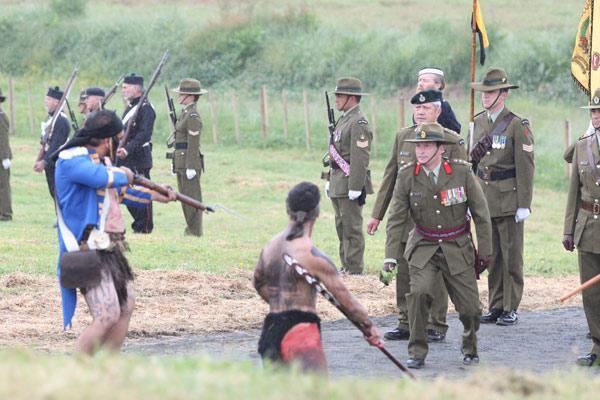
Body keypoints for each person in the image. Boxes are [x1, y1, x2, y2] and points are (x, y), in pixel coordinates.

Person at [54, 109, 175, 354]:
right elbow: (102, 179)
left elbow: (118, 193)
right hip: (85, 248)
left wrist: (157, 194)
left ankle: (108, 370)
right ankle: (76, 372)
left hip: (109, 247)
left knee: (126, 304)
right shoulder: (71, 159)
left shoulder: (104, 165)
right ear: (107, 140)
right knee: (107, 314)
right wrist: (126, 174)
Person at [384, 122, 492, 369]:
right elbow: (396, 218)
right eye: (417, 146)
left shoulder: (462, 173)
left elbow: (481, 214)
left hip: (457, 246)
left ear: (440, 148)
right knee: (419, 294)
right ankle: (417, 351)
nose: (420, 151)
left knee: (471, 310)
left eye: (426, 146)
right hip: (424, 245)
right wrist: (390, 257)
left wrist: (486, 252)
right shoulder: (407, 176)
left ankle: (470, 345)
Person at [253, 181, 382, 373]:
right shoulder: (314, 257)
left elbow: (258, 283)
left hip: (271, 331)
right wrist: (368, 326)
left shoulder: (270, 247)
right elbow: (348, 303)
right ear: (317, 212)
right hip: (300, 334)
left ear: (288, 209)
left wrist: (281, 301)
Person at [369, 89, 466, 342]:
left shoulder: (452, 141)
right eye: (417, 108)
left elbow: (460, 183)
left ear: (439, 111)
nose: (420, 112)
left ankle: (435, 323)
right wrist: (377, 214)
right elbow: (391, 177)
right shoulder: (403, 137)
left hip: (436, 219)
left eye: (426, 108)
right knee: (403, 270)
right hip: (406, 218)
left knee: (434, 273)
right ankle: (405, 320)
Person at [470, 68, 535, 326]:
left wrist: (524, 204)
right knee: (492, 255)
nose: (485, 97)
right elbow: (471, 164)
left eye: (492, 92)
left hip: (508, 198)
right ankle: (496, 304)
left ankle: (511, 306)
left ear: (504, 94)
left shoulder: (517, 125)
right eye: (484, 92)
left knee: (511, 256)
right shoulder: (477, 122)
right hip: (484, 198)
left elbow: (526, 166)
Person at [562, 89, 600, 367]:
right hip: (587, 229)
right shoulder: (582, 145)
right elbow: (574, 192)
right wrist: (568, 231)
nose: (596, 116)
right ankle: (598, 348)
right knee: (591, 294)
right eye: (593, 112)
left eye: (599, 111)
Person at [324, 77, 373, 274]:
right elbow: (336, 152)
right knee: (341, 226)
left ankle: (354, 268)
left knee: (351, 228)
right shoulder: (344, 119)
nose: (336, 99)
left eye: (340, 95)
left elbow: (360, 158)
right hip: (338, 181)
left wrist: (355, 186)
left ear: (352, 98)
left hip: (349, 182)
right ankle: (346, 265)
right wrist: (329, 179)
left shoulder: (358, 122)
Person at [117, 73, 156, 234]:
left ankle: (144, 226)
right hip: (126, 156)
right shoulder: (132, 106)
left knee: (143, 191)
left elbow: (143, 135)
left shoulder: (146, 109)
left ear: (135, 88)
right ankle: (138, 223)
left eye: (126, 87)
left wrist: (127, 149)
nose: (123, 90)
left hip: (139, 156)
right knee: (128, 191)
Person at [169, 79, 206, 236]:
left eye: (182, 93)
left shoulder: (192, 116)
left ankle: (195, 231)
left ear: (190, 96)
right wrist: (174, 162)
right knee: (184, 197)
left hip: (188, 162)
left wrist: (191, 165)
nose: (179, 96)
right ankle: (190, 228)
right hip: (181, 161)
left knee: (192, 197)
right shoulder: (185, 113)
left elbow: (193, 143)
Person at [33, 86, 71, 200]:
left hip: (57, 163)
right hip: (51, 163)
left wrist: (45, 162)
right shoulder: (52, 119)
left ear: (57, 102)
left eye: (49, 99)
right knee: (54, 193)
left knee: (59, 195)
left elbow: (56, 145)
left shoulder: (61, 120)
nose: (46, 102)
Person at [414, 68, 461, 133]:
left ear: (438, 84)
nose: (420, 84)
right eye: (419, 80)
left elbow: (455, 129)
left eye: (425, 81)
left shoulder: (443, 106)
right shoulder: (418, 104)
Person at [0, 88, 12, 221]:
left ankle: (6, 213)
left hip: (1, 157)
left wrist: (5, 158)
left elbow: (3, 140)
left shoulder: (1, 117)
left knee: (3, 186)